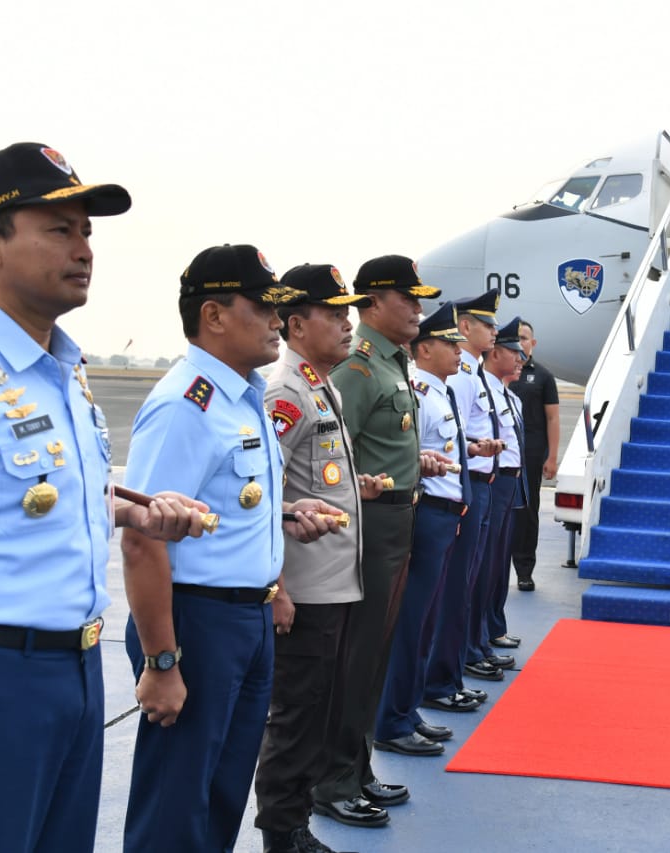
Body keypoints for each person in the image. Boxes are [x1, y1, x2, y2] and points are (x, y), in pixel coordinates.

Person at [0, 142, 207, 850]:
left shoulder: (62, 371)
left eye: (87, 231)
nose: (83, 247)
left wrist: (134, 510)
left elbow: (42, 505)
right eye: (59, 228)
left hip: (76, 673)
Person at [121, 244, 341, 851]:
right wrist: (162, 661)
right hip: (195, 622)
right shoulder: (184, 405)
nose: (278, 321)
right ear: (214, 315)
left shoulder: (240, 397)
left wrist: (288, 519)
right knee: (176, 800)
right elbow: (144, 537)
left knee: (221, 794)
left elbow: (229, 504)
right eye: (265, 307)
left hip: (245, 618)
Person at [253, 264, 382, 852]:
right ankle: (282, 834)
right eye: (335, 314)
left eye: (348, 312)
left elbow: (316, 481)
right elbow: (264, 493)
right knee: (297, 717)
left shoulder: (319, 383)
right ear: (296, 324)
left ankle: (296, 821)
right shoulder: (286, 393)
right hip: (305, 590)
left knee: (317, 712)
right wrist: (278, 586)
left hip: (334, 585)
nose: (348, 323)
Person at [316, 255, 447, 822]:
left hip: (397, 520)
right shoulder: (359, 367)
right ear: (371, 304)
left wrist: (415, 463)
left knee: (376, 655)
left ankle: (357, 767)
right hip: (367, 527)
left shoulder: (392, 364)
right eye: (407, 298)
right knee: (356, 656)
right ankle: (332, 780)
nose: (418, 309)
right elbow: (329, 452)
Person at [374, 304, 470, 760]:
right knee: (411, 621)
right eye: (450, 343)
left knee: (427, 619)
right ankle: (391, 719)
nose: (458, 350)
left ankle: (408, 711)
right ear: (424, 348)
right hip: (427, 511)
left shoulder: (441, 394)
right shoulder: (417, 393)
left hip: (446, 511)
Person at [423, 290, 508, 711]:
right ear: (465, 327)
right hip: (458, 488)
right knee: (454, 589)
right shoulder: (456, 375)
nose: (494, 331)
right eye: (487, 323)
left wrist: (476, 446)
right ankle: (440, 678)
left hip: (474, 483)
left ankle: (450, 672)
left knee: (466, 585)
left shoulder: (471, 370)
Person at [479, 318, 529, 662]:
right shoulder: (482, 387)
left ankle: (494, 625)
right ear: (495, 352)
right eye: (514, 351)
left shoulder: (509, 395)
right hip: (493, 480)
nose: (520, 358)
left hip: (511, 480)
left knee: (499, 561)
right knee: (486, 561)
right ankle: (483, 630)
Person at [509, 319, 559, 594]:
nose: (521, 342)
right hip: (503, 452)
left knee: (528, 512)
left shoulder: (543, 376)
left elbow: (552, 418)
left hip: (531, 453)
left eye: (525, 338)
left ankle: (524, 571)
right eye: (516, 337)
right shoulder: (501, 371)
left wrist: (551, 457)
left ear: (533, 343)